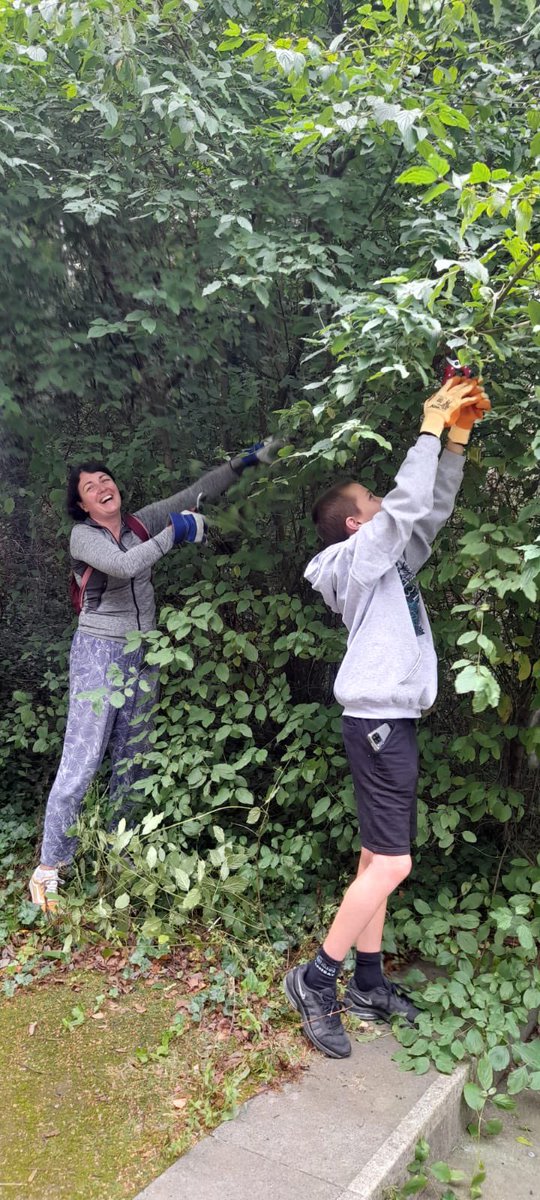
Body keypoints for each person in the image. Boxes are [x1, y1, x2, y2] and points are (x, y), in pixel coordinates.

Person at [284, 377, 490, 1058]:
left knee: (378, 856)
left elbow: (425, 513)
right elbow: (404, 507)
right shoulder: (355, 557)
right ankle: (318, 979)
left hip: (389, 720)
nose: (382, 505)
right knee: (394, 863)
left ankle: (369, 983)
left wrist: (455, 439)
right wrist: (429, 425)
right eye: (371, 502)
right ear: (355, 521)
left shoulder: (387, 561)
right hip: (377, 721)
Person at [29, 439, 280, 912]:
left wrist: (240, 463)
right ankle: (49, 869)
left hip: (144, 653)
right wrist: (176, 534)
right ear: (81, 503)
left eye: (106, 479)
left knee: (135, 758)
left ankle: (120, 857)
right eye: (90, 486)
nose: (103, 486)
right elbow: (125, 565)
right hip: (98, 654)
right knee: (82, 759)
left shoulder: (140, 521)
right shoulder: (84, 537)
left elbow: (194, 491)